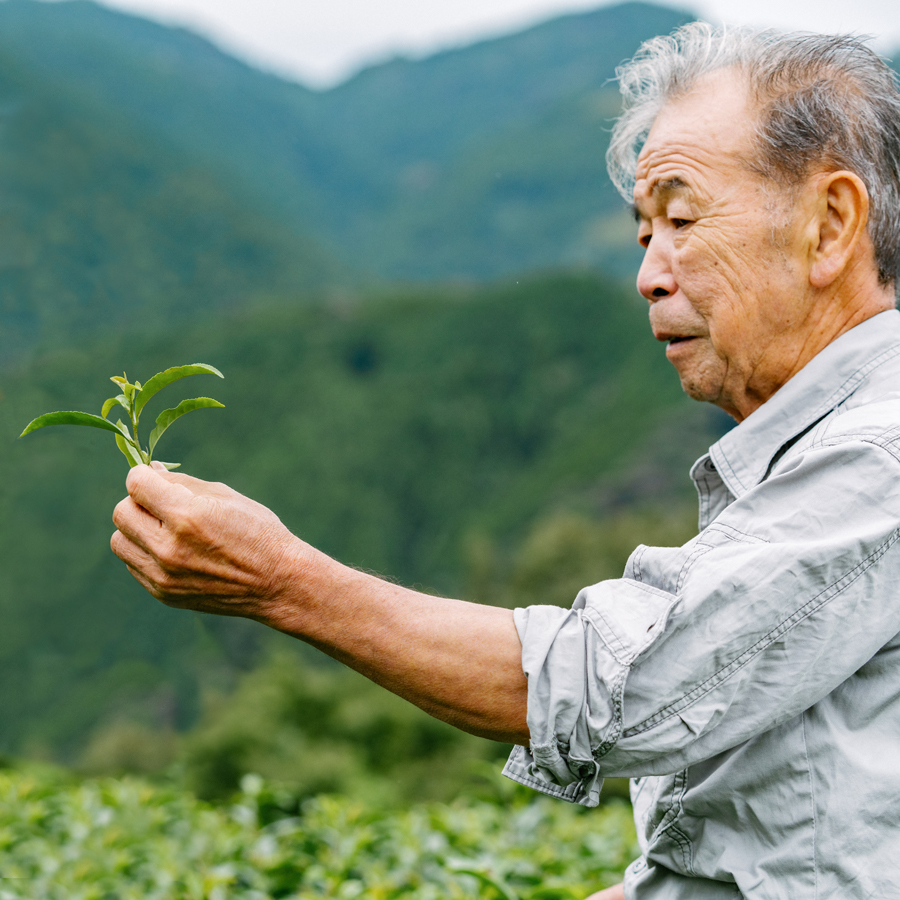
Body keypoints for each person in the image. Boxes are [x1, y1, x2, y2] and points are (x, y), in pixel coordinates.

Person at [112, 23, 900, 899]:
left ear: (831, 225)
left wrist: (284, 581)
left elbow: (615, 693)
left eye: (682, 218)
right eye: (644, 233)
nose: (650, 273)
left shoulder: (879, 454)